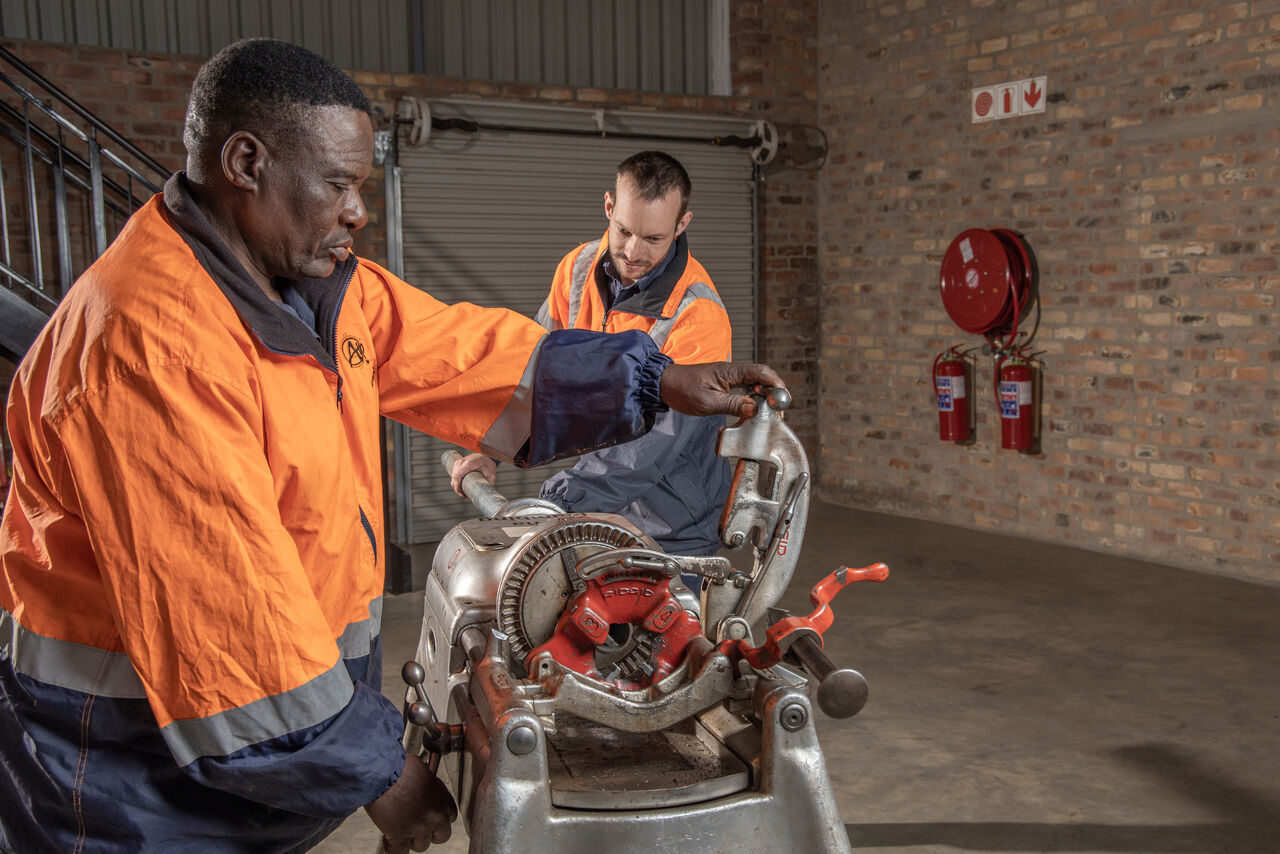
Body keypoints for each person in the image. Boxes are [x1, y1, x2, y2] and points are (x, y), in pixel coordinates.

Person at [0, 39, 782, 854]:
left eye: (362, 188)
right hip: (129, 788)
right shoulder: (153, 352)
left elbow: (473, 358)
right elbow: (236, 645)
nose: (358, 213)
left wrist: (656, 381)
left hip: (226, 779)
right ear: (245, 163)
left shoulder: (315, 290)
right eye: (338, 185)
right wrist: (382, 775)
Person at [451, 151, 733, 570]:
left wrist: (557, 506)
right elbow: (529, 372)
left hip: (672, 521)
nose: (634, 251)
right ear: (608, 206)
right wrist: (487, 452)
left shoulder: (698, 314)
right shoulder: (577, 269)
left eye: (654, 238)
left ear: (681, 225)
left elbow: (654, 444)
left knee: (662, 632)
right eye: (624, 231)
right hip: (599, 508)